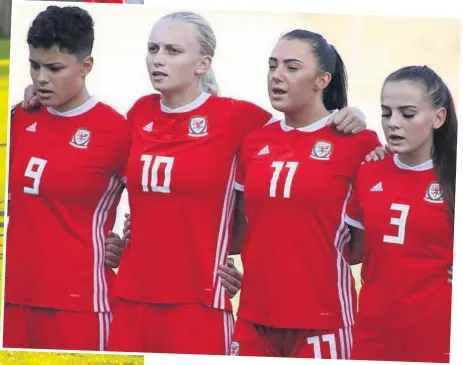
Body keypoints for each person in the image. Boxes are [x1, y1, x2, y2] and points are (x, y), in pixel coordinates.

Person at [101, 12, 369, 355]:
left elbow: (302, 135)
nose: (158, 59)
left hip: (201, 303)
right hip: (129, 297)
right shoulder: (137, 113)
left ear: (203, 63)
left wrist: (351, 115)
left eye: (172, 50)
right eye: (153, 48)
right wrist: (112, 242)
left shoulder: (240, 120)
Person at [219, 29, 381, 359]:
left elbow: (365, 247)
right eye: (272, 66)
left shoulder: (359, 143)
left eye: (292, 68)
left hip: (323, 322)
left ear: (322, 80)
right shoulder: (253, 142)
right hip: (253, 320)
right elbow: (238, 229)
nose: (277, 76)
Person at [4, 6, 130, 351]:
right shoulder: (16, 119)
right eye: (34, 66)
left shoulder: (117, 131)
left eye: (54, 68)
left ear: (85, 66)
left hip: (80, 305)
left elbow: (162, 204)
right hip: (11, 300)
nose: (41, 78)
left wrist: (130, 249)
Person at [345, 65, 455, 363]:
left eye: (407, 114)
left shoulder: (453, 179)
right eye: (386, 112)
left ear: (438, 117)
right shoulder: (369, 171)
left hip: (437, 338)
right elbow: (353, 253)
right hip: (372, 336)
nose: (393, 123)